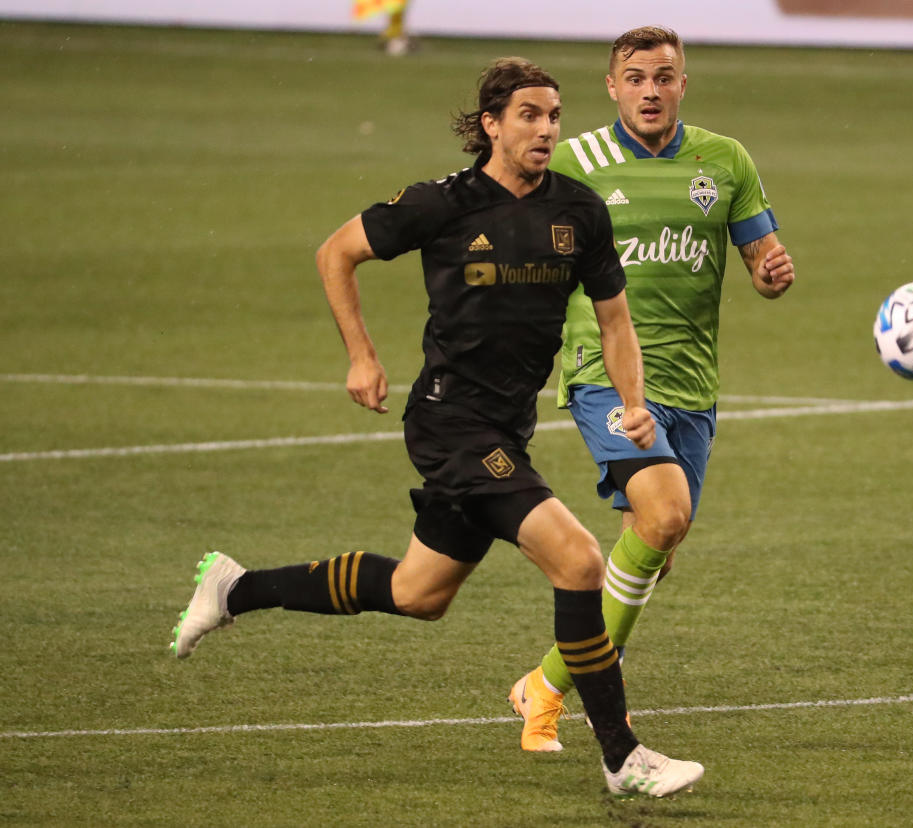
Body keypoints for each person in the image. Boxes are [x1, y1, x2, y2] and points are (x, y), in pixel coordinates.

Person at [170, 57, 703, 798]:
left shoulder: (579, 210)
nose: (546, 129)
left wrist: (634, 399)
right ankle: (623, 757)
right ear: (491, 124)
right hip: (451, 422)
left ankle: (234, 590)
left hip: (505, 430)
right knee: (580, 561)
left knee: (420, 592)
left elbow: (615, 320)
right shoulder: (442, 204)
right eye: (529, 115)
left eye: (554, 115)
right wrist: (361, 356)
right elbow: (337, 252)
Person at [508, 26, 795, 752]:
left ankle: (545, 679)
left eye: (664, 77)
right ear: (612, 87)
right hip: (603, 376)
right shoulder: (574, 166)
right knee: (664, 517)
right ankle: (598, 703)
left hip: (692, 384)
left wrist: (769, 273)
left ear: (682, 84)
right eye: (635, 77)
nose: (650, 90)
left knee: (656, 544)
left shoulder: (723, 161)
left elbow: (762, 256)